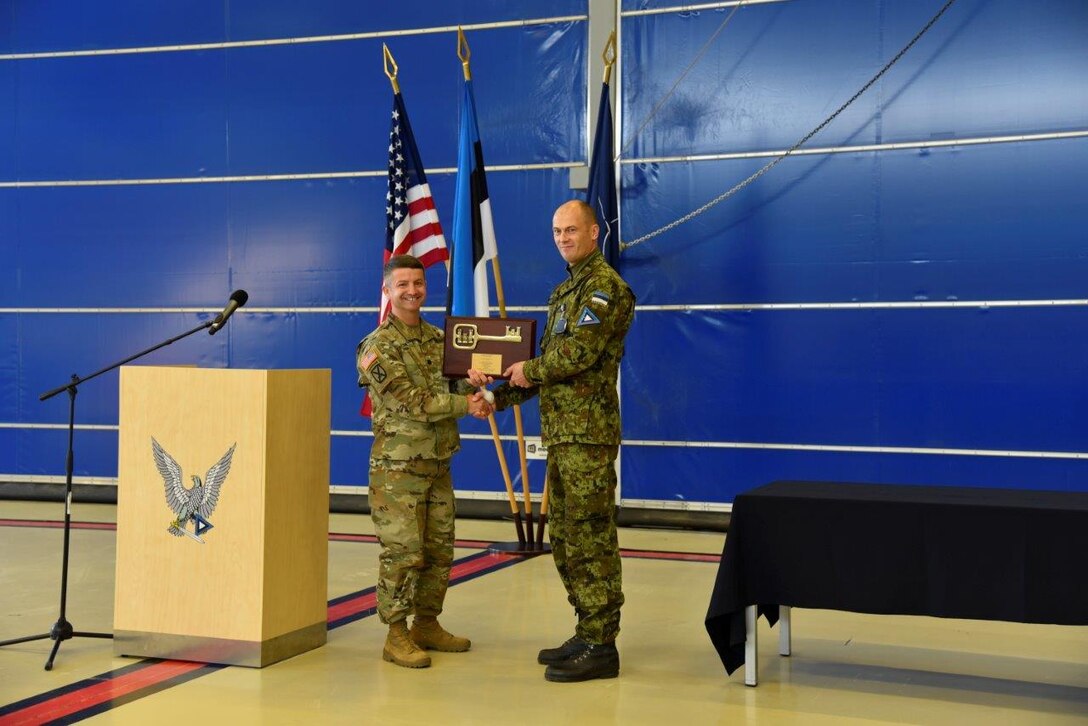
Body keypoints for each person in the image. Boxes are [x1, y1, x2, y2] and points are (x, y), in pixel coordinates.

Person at [468, 199, 635, 682]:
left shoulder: (604, 289)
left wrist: (526, 368)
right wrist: (496, 399)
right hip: (564, 435)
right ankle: (587, 630)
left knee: (590, 536)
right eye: (557, 230)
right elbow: (544, 372)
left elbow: (575, 358)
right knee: (565, 536)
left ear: (594, 231)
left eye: (572, 230)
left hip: (588, 435)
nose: (563, 238)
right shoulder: (566, 290)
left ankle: (603, 643)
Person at [356, 254, 492, 669]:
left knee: (439, 549)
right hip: (397, 471)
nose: (412, 291)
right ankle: (395, 634)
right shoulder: (375, 348)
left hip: (438, 463)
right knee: (402, 552)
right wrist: (463, 405)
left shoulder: (439, 339)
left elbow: (457, 381)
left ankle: (426, 624)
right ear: (387, 290)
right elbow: (409, 401)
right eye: (402, 285)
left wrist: (477, 383)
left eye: (418, 283)